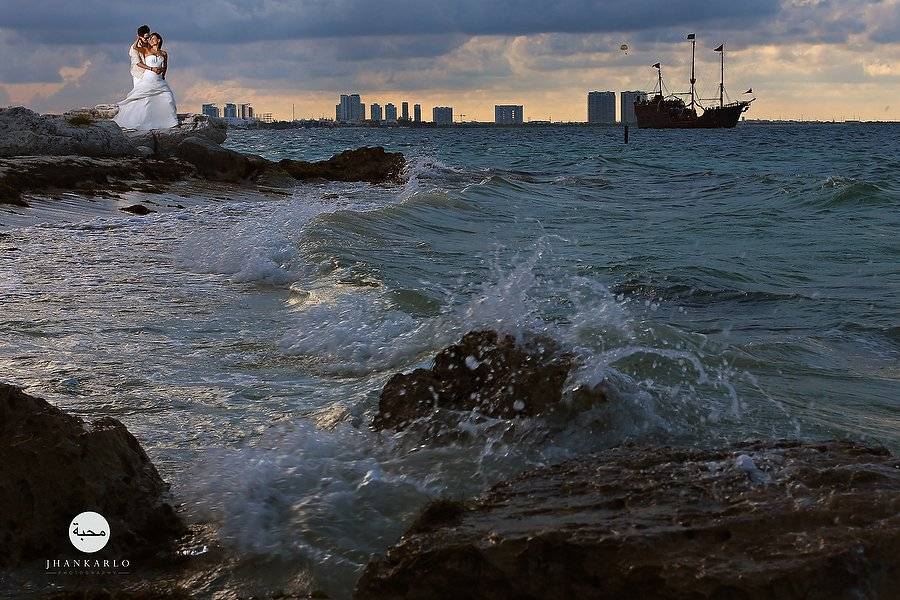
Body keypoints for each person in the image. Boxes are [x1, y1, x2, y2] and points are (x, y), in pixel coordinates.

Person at [114, 32, 179, 130]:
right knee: (146, 100)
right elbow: (135, 50)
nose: (151, 40)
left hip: (159, 80)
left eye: (153, 38)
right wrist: (139, 38)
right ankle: (141, 121)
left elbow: (165, 66)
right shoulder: (146, 50)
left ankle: (171, 122)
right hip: (148, 77)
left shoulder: (164, 53)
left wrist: (162, 75)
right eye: (150, 38)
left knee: (168, 98)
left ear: (159, 40)